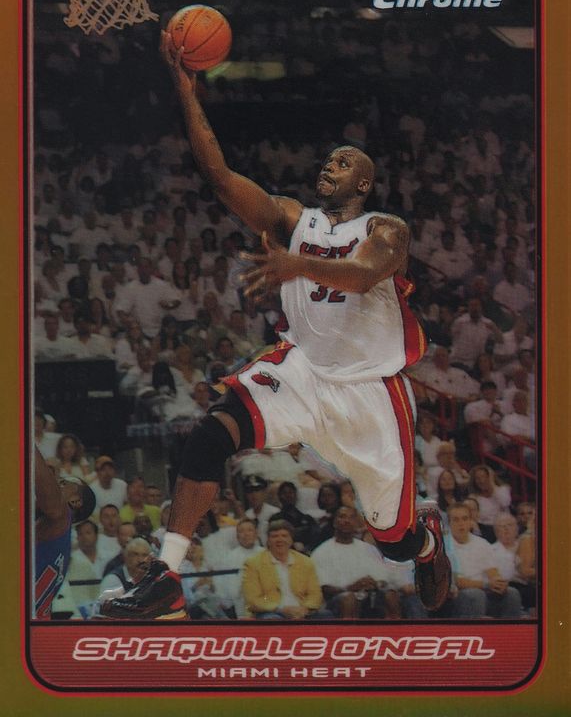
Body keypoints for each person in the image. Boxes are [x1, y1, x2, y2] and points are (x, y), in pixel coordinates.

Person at [101, 33, 450, 620]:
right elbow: (219, 176)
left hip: (370, 393)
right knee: (212, 432)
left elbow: (364, 275)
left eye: (344, 163)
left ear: (363, 184)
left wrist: (297, 265)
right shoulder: (293, 217)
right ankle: (166, 577)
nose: (330, 166)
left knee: (394, 541)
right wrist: (186, 90)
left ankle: (426, 541)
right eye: (328, 160)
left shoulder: (385, 228)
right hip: (303, 372)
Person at [34, 448, 95, 619]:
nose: (52, 485)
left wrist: (24, 439)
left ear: (75, 501)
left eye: (62, 484)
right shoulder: (60, 537)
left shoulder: (62, 516)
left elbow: (52, 505)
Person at [241, 520, 326, 620]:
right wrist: (281, 609)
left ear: (291, 540)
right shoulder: (253, 564)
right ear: (268, 540)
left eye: (284, 536)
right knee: (274, 620)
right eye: (274, 536)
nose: (280, 540)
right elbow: (253, 600)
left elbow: (315, 594)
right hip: (272, 612)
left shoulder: (306, 562)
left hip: (302, 611)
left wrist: (304, 609)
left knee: (327, 616)